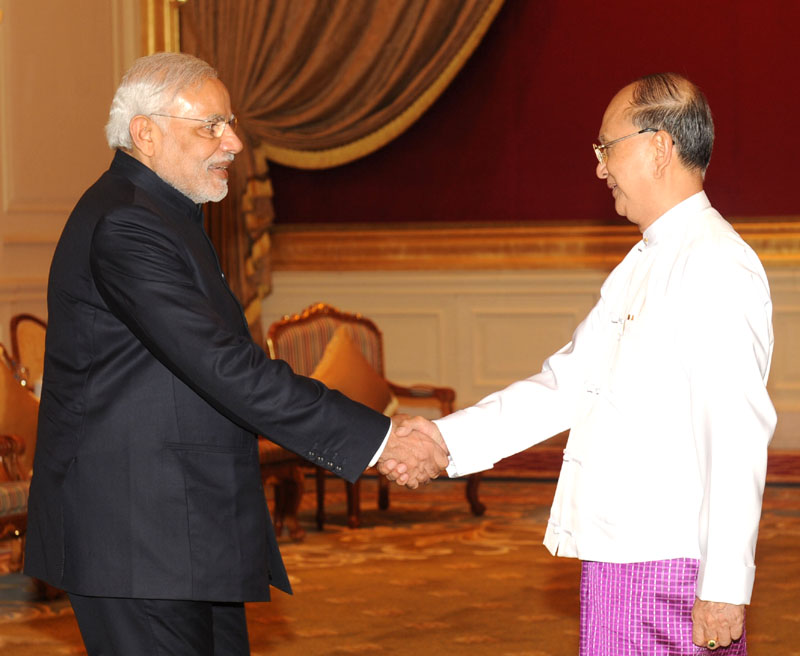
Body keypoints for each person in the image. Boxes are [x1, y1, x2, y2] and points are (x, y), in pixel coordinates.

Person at [24, 52, 447, 656]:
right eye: (212, 126)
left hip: (183, 530)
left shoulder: (164, 214)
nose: (235, 142)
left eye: (231, 123)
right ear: (145, 132)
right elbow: (225, 367)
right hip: (138, 537)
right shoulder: (126, 223)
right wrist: (379, 439)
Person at [384, 73, 776, 655]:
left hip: (669, 565)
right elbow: (566, 385)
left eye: (606, 147)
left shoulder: (716, 264)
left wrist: (724, 586)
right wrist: (446, 440)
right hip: (618, 554)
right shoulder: (643, 261)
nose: (600, 168)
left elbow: (737, 436)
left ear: (659, 146)